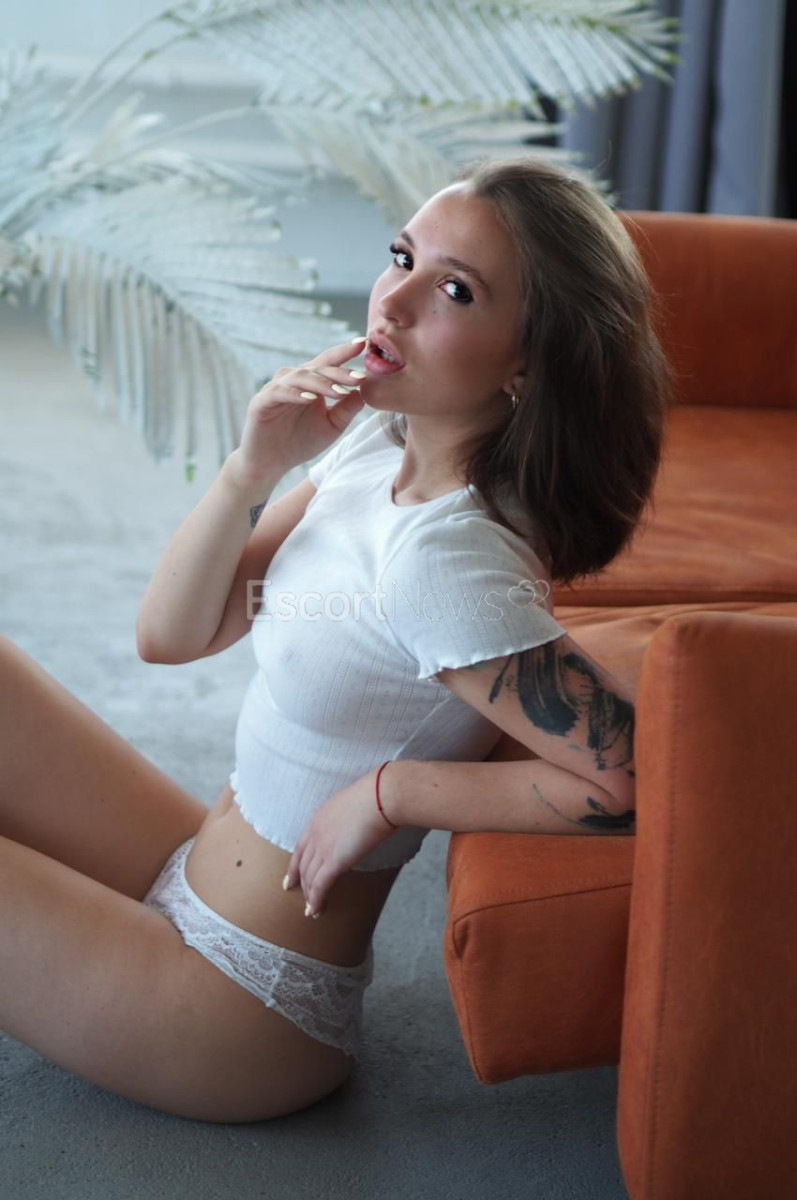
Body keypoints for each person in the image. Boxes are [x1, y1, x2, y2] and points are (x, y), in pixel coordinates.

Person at [0, 157, 671, 1125]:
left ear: (526, 364)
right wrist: (251, 468)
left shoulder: (445, 563)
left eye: (453, 291)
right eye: (402, 256)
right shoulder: (372, 445)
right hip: (188, 865)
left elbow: (632, 780)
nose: (391, 301)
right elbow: (172, 634)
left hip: (242, 1002)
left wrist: (393, 793)